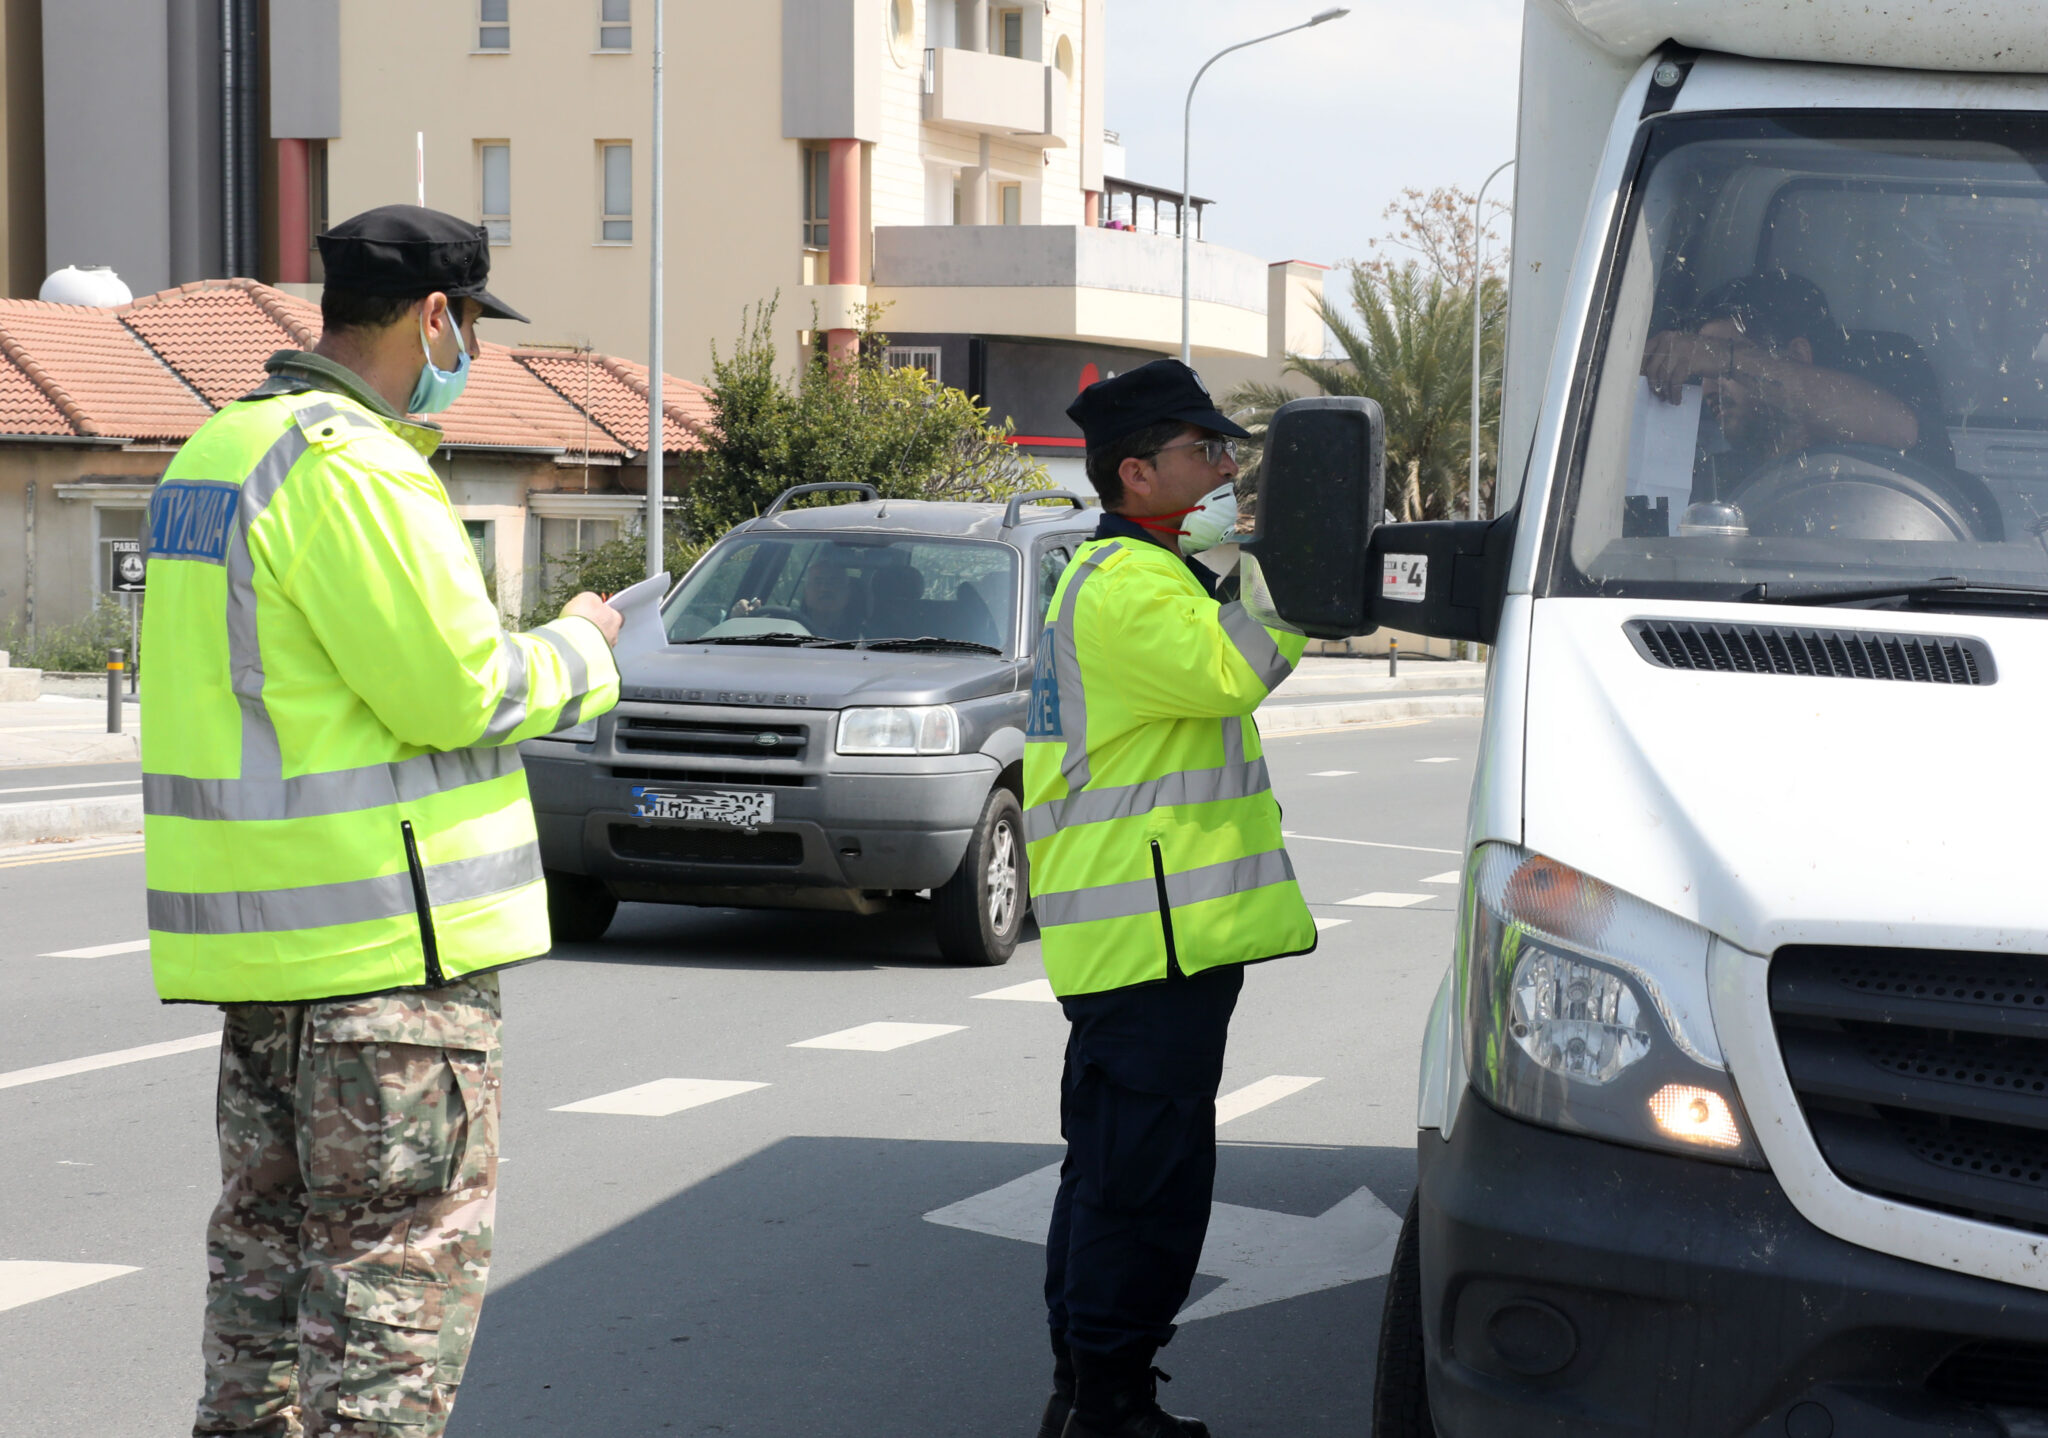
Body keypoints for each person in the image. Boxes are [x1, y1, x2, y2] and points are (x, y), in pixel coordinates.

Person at [141, 205, 623, 1438]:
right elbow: (457, 689)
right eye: (470, 327)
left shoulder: (215, 454)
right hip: (388, 970)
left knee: (265, 1272)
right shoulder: (354, 465)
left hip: (265, 955)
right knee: (393, 1290)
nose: (471, 354)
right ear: (434, 318)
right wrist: (583, 644)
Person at [1025, 359, 1317, 1438]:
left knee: (1113, 1176)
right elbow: (1239, 669)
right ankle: (1106, 1404)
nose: (1224, 468)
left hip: (1148, 941)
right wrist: (1260, 564)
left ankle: (1087, 1391)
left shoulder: (1135, 573)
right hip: (1148, 944)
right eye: (1203, 453)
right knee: (1139, 1187)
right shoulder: (1129, 584)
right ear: (1135, 471)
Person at [1639, 269, 1949, 491]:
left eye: (1722, 367)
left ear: (1798, 355)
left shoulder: (1885, 470)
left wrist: (1729, 358)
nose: (1710, 388)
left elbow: (1903, 428)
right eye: (1703, 371)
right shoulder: (1712, 483)